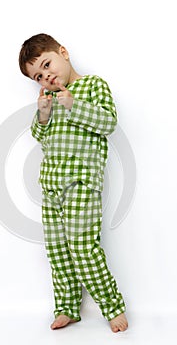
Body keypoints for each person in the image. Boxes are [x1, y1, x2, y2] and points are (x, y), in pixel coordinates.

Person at [18, 33, 128, 332]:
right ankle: (67, 306)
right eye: (38, 76)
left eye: (47, 64)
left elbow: (108, 123)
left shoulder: (93, 85)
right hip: (51, 183)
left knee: (82, 246)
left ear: (63, 52)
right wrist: (42, 116)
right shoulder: (48, 100)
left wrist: (73, 104)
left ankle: (112, 306)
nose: (46, 76)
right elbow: (40, 138)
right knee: (57, 249)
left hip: (80, 182)